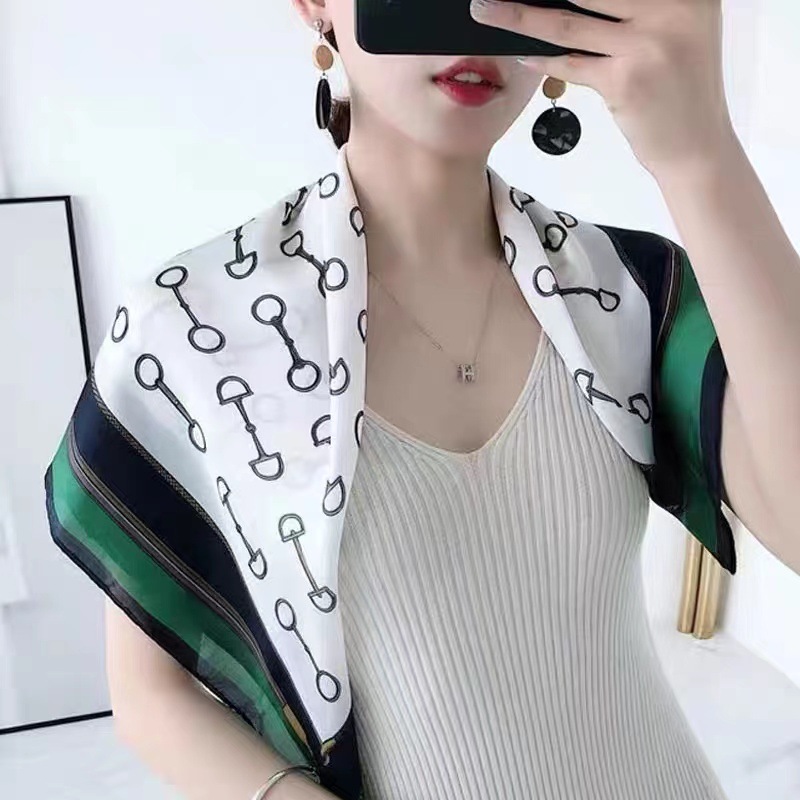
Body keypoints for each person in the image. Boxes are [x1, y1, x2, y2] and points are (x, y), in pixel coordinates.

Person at [44, 0, 800, 798]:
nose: (472, 11)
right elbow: (150, 697)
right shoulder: (192, 329)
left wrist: (700, 155)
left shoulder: (622, 292)